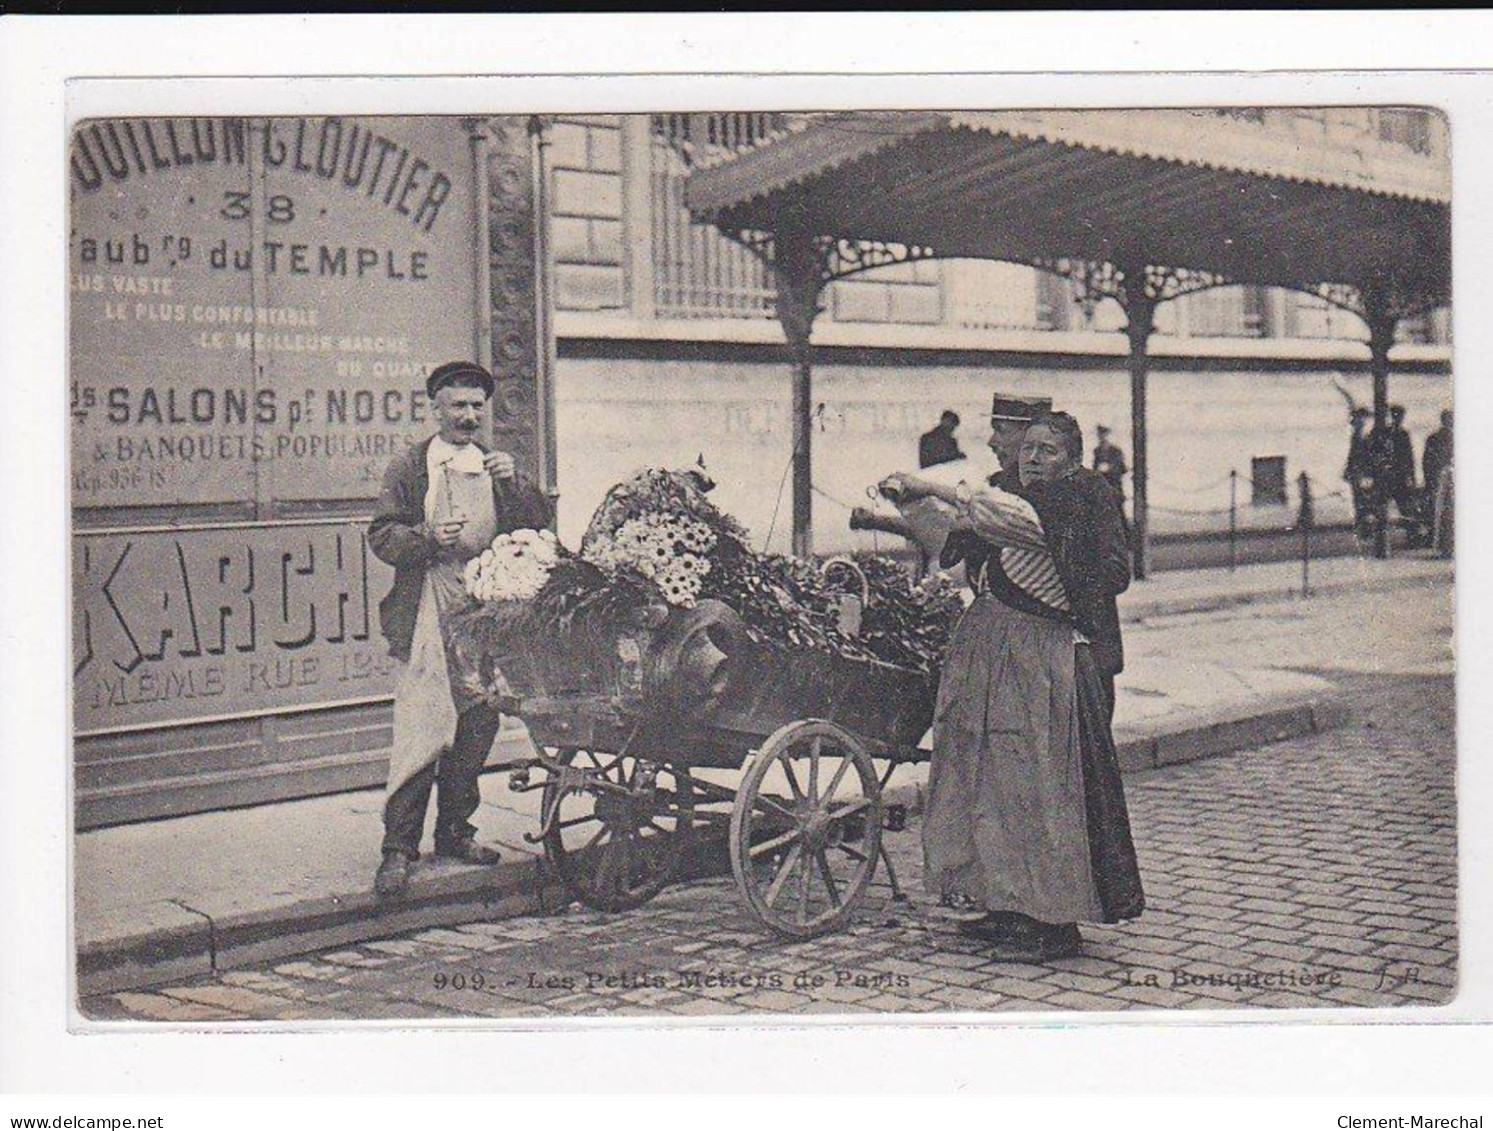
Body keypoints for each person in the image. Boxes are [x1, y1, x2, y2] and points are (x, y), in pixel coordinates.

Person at [885, 396, 1143, 962]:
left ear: (1070, 458)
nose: (1027, 457)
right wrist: (906, 510)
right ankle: (1004, 904)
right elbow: (961, 542)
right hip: (997, 645)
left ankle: (1052, 919)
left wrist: (932, 488)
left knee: (1041, 783)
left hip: (1049, 651)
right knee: (993, 780)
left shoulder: (1077, 497)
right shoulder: (1014, 491)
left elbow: (1091, 562)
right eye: (1024, 447)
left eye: (1042, 449)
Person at [368, 361, 553, 900]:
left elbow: (536, 528)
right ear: (436, 407)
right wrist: (426, 536)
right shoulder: (412, 465)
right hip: (428, 605)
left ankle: (454, 833)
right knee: (421, 730)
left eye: (477, 406)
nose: (469, 416)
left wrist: (515, 485)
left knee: (476, 728)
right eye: (458, 406)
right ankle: (397, 850)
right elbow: (382, 535)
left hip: (483, 607)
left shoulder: (496, 465)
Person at [1091, 423, 1130, 543]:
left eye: (1104, 435)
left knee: (1119, 513)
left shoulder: (1115, 451)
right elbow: (1095, 469)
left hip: (1115, 486)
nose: (1102, 437)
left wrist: (1110, 469)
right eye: (1100, 435)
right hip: (1102, 487)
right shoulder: (1097, 451)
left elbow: (1122, 469)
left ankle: (1127, 540)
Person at [1423, 410, 1453, 557]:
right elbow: (1427, 461)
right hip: (1441, 480)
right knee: (1442, 513)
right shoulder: (1435, 438)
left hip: (1445, 480)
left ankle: (1447, 546)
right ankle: (1443, 547)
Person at [1344, 407, 1374, 535]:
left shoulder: (1362, 438)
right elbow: (1352, 456)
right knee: (1361, 501)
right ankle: (1364, 528)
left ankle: (1365, 528)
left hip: (1362, 474)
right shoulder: (1358, 437)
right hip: (1358, 473)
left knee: (1363, 501)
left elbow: (1365, 457)